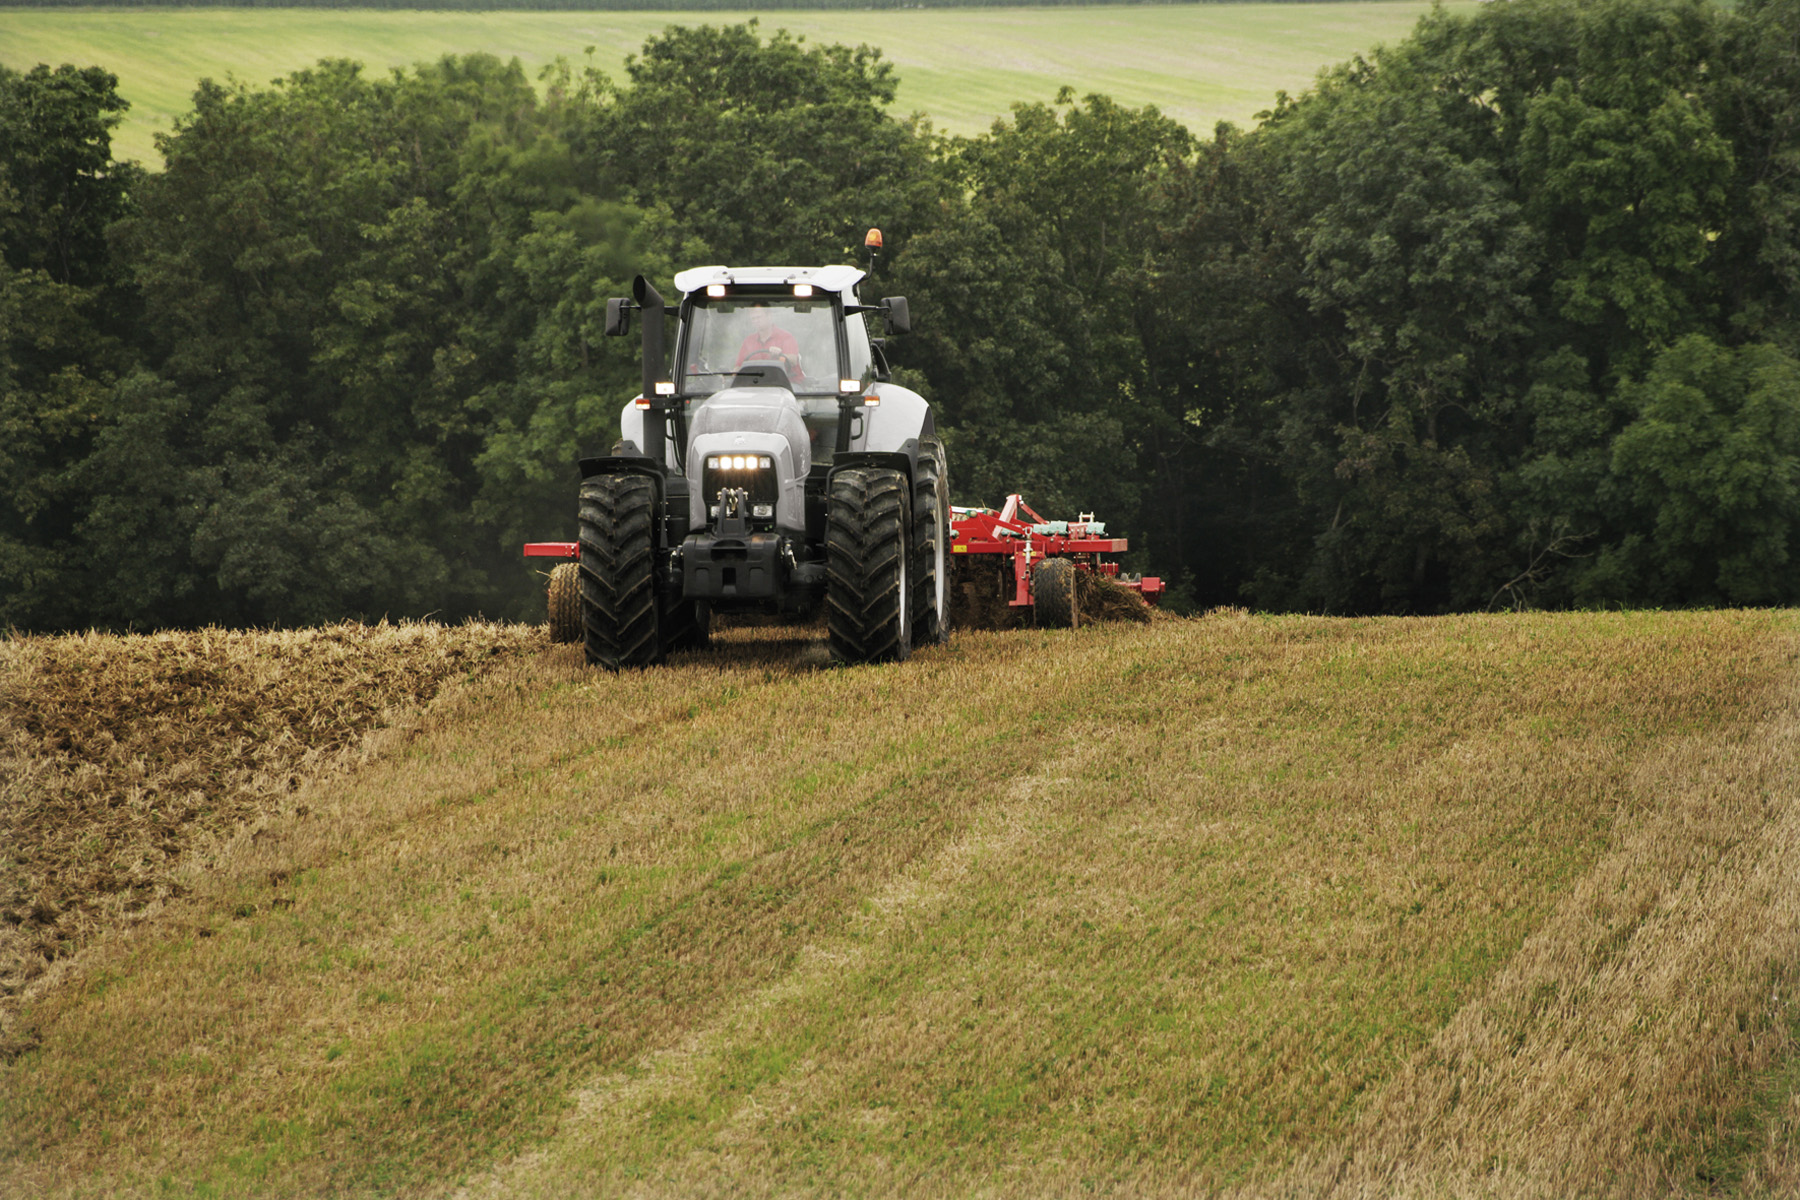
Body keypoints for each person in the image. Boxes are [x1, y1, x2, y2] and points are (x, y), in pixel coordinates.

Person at [735, 303, 803, 378]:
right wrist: (732, 374)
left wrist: (780, 354)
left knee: (795, 388)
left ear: (769, 316)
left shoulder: (786, 337)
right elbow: (738, 367)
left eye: (759, 317)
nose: (756, 321)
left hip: (788, 384)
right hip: (756, 384)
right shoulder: (748, 341)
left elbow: (793, 360)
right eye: (753, 318)